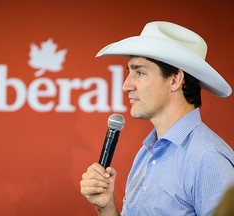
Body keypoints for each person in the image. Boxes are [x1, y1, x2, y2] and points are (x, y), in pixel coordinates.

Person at [80, 21, 234, 216]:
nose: (126, 85)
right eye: (129, 72)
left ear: (175, 80)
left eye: (140, 72)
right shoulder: (148, 153)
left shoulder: (209, 158)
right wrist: (107, 207)